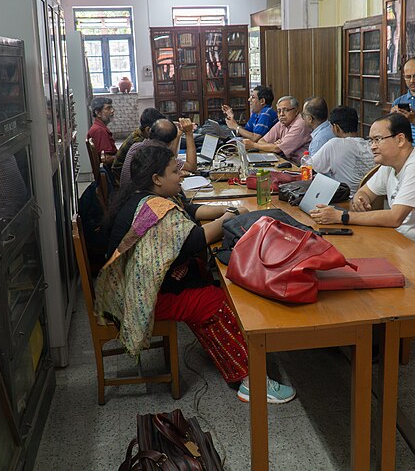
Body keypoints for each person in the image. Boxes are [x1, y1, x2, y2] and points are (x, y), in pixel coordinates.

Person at [95, 146, 296, 403]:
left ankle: (233, 351)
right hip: (138, 300)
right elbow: (196, 240)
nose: (181, 174)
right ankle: (251, 381)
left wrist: (230, 209)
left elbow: (190, 211)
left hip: (135, 288)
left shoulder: (143, 196)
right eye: (174, 170)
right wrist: (229, 216)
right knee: (211, 301)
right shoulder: (155, 209)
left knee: (206, 279)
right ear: (157, 179)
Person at [310, 114, 415, 261]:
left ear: (400, 139)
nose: (372, 147)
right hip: (406, 239)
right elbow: (365, 191)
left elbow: (395, 218)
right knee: (354, 253)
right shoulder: (389, 164)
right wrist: (360, 198)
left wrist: (341, 217)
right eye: (371, 141)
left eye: (377, 140)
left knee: (365, 263)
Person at [309, 105, 375, 198]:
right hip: (373, 201)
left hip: (346, 202)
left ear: (336, 128)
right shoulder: (371, 145)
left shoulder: (335, 144)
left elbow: (308, 167)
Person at [119, 118, 196, 188]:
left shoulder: (136, 146)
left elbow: (171, 156)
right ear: (170, 143)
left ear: (149, 132)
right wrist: (189, 134)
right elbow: (192, 167)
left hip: (126, 196)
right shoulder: (159, 155)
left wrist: (178, 134)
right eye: (175, 171)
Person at [242, 95, 311, 165]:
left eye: (286, 110)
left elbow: (276, 149)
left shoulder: (300, 123)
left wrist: (253, 145)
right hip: (287, 161)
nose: (281, 114)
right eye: (279, 111)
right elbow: (261, 141)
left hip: (302, 166)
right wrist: (273, 145)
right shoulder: (282, 122)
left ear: (296, 111)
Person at [111, 108, 166, 184]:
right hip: (122, 180)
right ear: (148, 130)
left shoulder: (140, 133)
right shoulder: (138, 142)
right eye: (158, 130)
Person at [87, 97, 117, 167]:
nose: (112, 111)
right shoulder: (99, 131)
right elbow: (105, 159)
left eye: (112, 108)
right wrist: (122, 157)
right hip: (112, 172)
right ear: (98, 113)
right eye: (108, 108)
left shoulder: (99, 128)